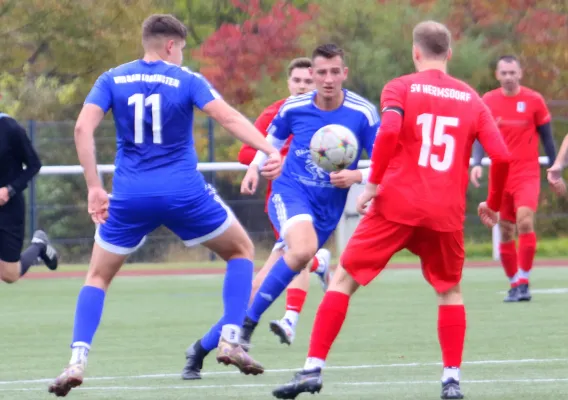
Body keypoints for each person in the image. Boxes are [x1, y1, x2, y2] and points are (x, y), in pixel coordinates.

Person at [271, 21, 511, 400]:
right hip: (443, 212)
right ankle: (451, 380)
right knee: (449, 292)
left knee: (344, 280)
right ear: (449, 54)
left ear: (416, 53)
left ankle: (312, 370)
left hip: (396, 205)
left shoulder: (400, 87)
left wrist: (371, 183)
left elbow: (389, 132)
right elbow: (502, 156)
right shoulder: (472, 99)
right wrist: (493, 204)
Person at [47, 14, 282, 397]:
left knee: (97, 277)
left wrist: (94, 187)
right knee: (241, 251)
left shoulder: (111, 78)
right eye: (182, 48)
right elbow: (228, 117)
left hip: (128, 197)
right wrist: (269, 149)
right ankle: (230, 338)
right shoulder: (187, 79)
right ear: (172, 45)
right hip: (183, 193)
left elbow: (80, 129)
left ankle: (76, 361)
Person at [181, 57, 332, 381]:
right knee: (291, 264)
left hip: (316, 207)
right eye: (298, 81)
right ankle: (302, 294)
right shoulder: (278, 111)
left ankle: (201, 349)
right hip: (286, 206)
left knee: (255, 289)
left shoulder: (328, 116)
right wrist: (277, 157)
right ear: (289, 82)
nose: (304, 86)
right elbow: (246, 152)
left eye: (309, 80)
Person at [237, 43, 378, 358]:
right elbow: (268, 143)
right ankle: (247, 325)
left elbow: (387, 163)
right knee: (300, 250)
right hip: (290, 192)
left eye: (334, 72)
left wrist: (358, 177)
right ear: (313, 74)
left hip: (328, 205)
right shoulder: (293, 108)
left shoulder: (363, 113)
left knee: (302, 256)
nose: (328, 79)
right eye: (322, 72)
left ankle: (248, 321)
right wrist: (255, 167)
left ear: (344, 73)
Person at [470, 55, 557, 302]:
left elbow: (549, 140)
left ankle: (525, 280)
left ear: (520, 73)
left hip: (527, 173)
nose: (508, 77)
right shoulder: (487, 101)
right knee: (506, 230)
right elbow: (478, 135)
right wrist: (477, 164)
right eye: (504, 73)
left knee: (525, 221)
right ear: (497, 75)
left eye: (512, 72)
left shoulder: (534, 100)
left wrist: (555, 168)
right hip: (500, 176)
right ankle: (514, 284)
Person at [0, 113, 58, 283]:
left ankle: (39, 246)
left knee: (10, 275)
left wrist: (9, 190)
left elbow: (34, 164)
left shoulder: (10, 128)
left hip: (9, 209)